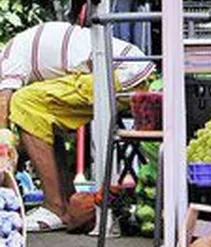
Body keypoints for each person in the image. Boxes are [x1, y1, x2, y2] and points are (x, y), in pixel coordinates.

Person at [0, 21, 154, 232]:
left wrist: (4, 144)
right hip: (129, 73)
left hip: (122, 74)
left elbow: (4, 103)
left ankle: (54, 208)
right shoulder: (25, 54)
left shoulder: (8, 59)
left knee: (24, 102)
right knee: (39, 117)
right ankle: (64, 204)